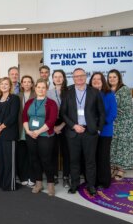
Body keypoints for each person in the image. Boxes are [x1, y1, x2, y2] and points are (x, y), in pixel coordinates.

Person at [60, 68, 105, 196]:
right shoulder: (67, 93)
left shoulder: (95, 92)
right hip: (73, 132)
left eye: (81, 76)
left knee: (90, 161)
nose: (79, 78)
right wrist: (74, 125)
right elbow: (63, 113)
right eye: (76, 76)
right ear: (73, 78)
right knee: (74, 160)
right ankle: (74, 185)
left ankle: (91, 185)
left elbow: (101, 113)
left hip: (90, 132)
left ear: (85, 77)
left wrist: (98, 129)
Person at [23, 79, 58, 196]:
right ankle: (38, 183)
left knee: (46, 160)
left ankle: (50, 184)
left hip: (45, 135)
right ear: (35, 88)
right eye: (39, 87)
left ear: (46, 89)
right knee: (34, 159)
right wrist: (28, 131)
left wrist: (38, 131)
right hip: (30, 135)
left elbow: (52, 121)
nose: (41, 89)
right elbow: (24, 118)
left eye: (43, 87)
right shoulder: (29, 102)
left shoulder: (52, 103)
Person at [0, 77, 20, 191]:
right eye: (2, 84)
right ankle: (2, 182)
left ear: (10, 86)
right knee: (1, 159)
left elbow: (12, 117)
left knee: (9, 160)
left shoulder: (14, 98)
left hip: (9, 134)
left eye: (6, 84)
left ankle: (10, 184)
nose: (3, 86)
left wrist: (0, 128)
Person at [107, 69, 133, 180]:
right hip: (113, 123)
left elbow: (125, 108)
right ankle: (114, 167)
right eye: (110, 77)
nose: (112, 79)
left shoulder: (124, 89)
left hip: (125, 122)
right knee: (114, 145)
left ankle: (121, 169)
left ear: (119, 78)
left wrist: (108, 110)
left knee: (124, 146)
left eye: (114, 77)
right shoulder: (108, 90)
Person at [90, 72, 117, 189]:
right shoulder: (88, 94)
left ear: (103, 81)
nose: (96, 81)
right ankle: (93, 181)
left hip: (105, 131)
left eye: (99, 79)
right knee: (92, 157)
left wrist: (100, 124)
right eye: (94, 79)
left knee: (103, 157)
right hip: (91, 131)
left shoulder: (109, 94)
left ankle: (104, 182)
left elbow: (113, 113)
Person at [47, 69, 70, 188]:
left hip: (66, 124)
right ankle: (54, 175)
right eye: (55, 77)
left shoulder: (70, 92)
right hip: (52, 124)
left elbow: (72, 112)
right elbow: (47, 112)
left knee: (66, 152)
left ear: (64, 78)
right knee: (53, 152)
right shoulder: (48, 93)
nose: (58, 79)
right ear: (52, 79)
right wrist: (54, 126)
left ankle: (66, 177)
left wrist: (61, 125)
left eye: (60, 76)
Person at [18, 75, 36, 187]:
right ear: (21, 84)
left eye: (29, 82)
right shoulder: (17, 96)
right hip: (20, 128)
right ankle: (23, 176)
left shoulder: (36, 95)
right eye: (24, 82)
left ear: (32, 84)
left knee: (32, 154)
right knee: (22, 154)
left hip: (33, 128)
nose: (27, 84)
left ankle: (32, 176)